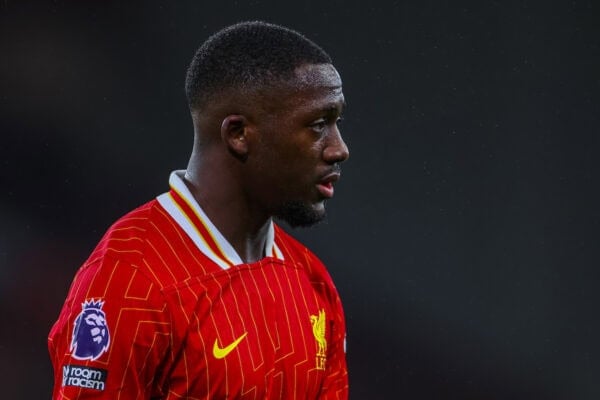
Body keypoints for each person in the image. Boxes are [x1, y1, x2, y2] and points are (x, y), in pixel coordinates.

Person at [48, 21, 350, 399]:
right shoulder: (128, 282)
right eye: (319, 124)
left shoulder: (312, 281)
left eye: (337, 122)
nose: (339, 148)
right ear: (238, 134)